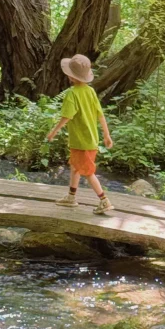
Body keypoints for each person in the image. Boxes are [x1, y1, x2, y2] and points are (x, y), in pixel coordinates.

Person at [46, 54, 114, 214]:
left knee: (88, 172)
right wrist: (106, 135)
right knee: (75, 166)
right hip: (90, 140)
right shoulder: (90, 91)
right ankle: (71, 197)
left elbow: (67, 116)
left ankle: (104, 201)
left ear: (70, 75)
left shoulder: (72, 94)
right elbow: (100, 114)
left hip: (82, 141)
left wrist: (53, 132)